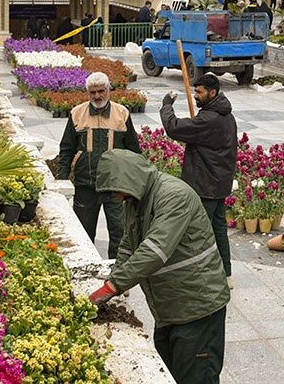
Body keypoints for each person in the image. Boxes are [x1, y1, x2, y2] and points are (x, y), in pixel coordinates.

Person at [90, 150, 230, 384]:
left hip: (198, 309)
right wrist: (115, 276)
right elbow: (128, 244)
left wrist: (113, 286)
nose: (116, 198)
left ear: (129, 179)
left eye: (116, 190)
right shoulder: (136, 200)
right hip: (169, 309)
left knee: (196, 378)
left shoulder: (174, 196)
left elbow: (155, 251)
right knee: (168, 375)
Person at [160, 73, 238, 282]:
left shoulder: (209, 119)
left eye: (200, 92)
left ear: (212, 93)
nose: (196, 95)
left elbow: (174, 128)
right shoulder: (223, 114)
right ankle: (225, 272)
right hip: (218, 182)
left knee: (199, 230)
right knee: (218, 227)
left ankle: (203, 275)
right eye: (195, 91)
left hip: (206, 184)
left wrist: (167, 106)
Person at [56, 72, 142, 259]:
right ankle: (85, 267)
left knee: (119, 232)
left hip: (115, 187)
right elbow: (66, 148)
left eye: (101, 91)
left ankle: (116, 276)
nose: (97, 96)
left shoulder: (122, 113)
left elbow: (134, 150)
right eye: (92, 92)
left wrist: (135, 182)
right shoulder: (77, 113)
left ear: (108, 90)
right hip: (86, 183)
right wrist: (62, 178)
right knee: (84, 232)